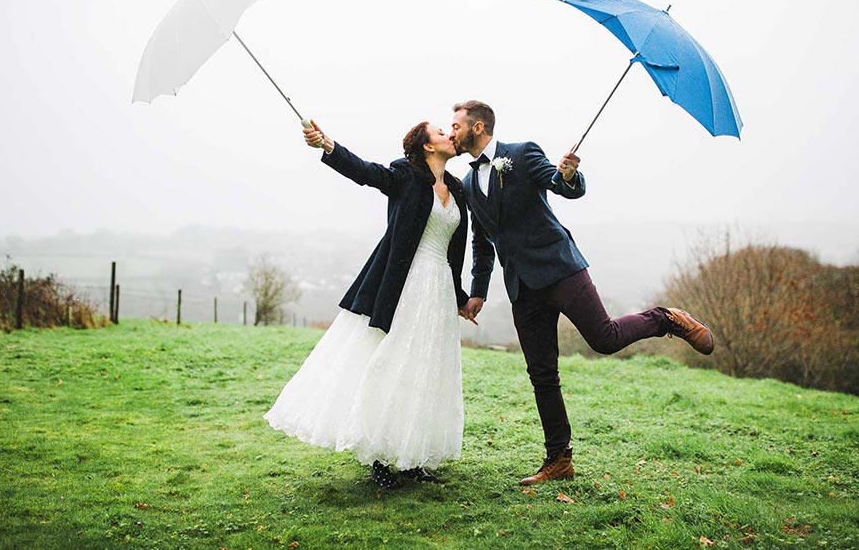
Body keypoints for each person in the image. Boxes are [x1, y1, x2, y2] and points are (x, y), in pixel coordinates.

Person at [450, 100, 715, 486]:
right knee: (542, 374)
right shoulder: (472, 182)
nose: (450, 131)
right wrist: (478, 292)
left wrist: (570, 175)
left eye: (455, 125)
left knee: (604, 338)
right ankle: (559, 460)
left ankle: (665, 318)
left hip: (560, 269)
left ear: (477, 128)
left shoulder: (522, 154)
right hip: (521, 287)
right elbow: (481, 241)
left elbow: (561, 186)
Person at [264, 119, 472, 489]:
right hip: (403, 286)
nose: (449, 135)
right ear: (426, 146)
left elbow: (454, 251)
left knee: (426, 370)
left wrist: (459, 297)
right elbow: (364, 172)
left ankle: (412, 458)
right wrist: (329, 146)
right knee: (390, 364)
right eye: (441, 132)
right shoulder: (404, 175)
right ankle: (377, 455)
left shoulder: (457, 189)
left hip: (438, 290)